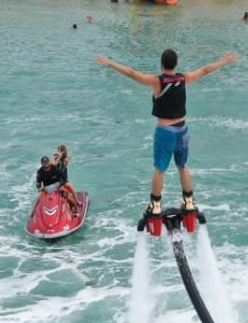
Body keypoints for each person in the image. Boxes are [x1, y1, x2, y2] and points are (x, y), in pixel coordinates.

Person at [95, 49, 239, 216]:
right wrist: (224, 61)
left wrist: (111, 63)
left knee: (160, 169)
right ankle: (189, 202)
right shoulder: (184, 79)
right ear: (176, 64)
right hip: (183, 130)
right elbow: (205, 70)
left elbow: (132, 73)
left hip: (166, 132)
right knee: (183, 166)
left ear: (161, 64)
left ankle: (156, 205)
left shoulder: (157, 81)